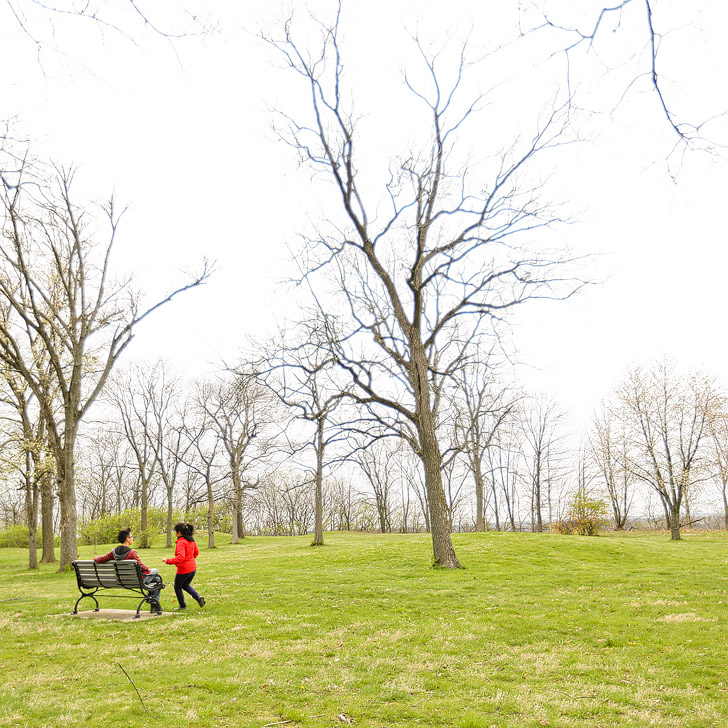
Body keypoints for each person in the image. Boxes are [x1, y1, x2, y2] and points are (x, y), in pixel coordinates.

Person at [94, 528, 164, 614]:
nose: (132, 538)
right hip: (137, 581)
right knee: (155, 572)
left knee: (157, 580)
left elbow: (101, 559)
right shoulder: (132, 552)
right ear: (127, 538)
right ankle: (153, 603)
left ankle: (154, 606)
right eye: (131, 536)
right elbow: (142, 567)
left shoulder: (113, 552)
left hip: (121, 580)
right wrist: (146, 567)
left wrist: (95, 558)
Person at [163, 522, 205, 611]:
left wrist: (168, 561)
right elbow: (196, 552)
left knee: (177, 586)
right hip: (192, 569)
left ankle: (182, 606)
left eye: (175, 532)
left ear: (179, 533)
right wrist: (190, 560)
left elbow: (180, 558)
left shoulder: (181, 543)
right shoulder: (191, 541)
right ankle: (197, 597)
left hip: (184, 570)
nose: (175, 534)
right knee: (185, 585)